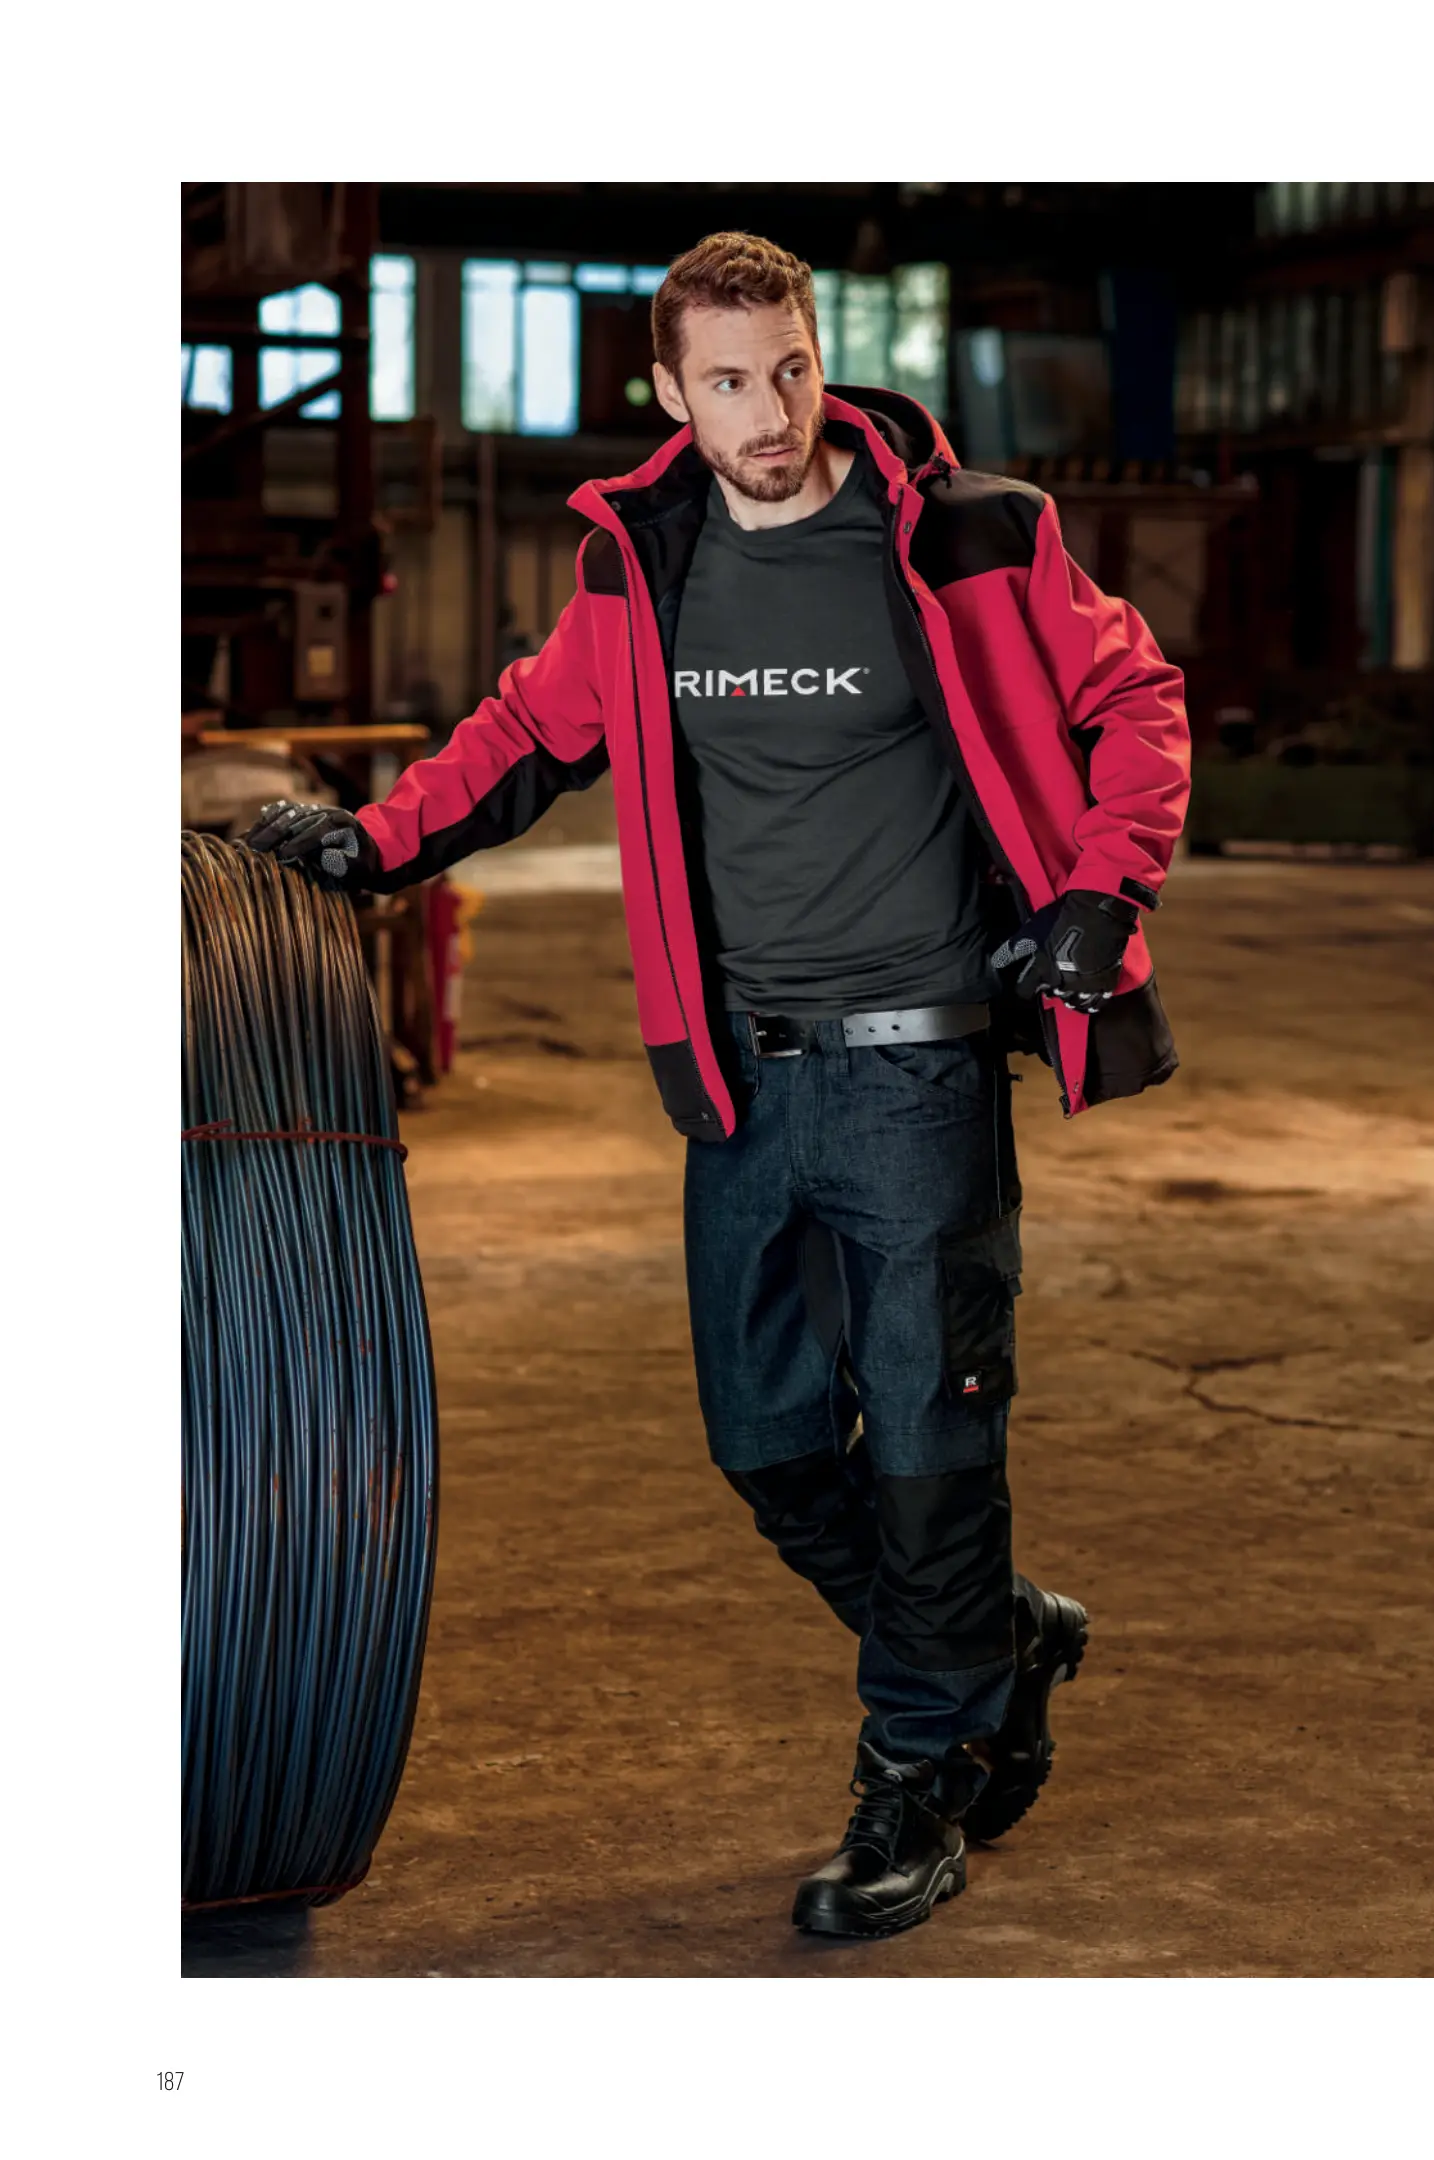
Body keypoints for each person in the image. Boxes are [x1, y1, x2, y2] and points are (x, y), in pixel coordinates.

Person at [245, 230, 1191, 1941]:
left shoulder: (968, 535)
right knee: (768, 1447)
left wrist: (1102, 888)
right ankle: (991, 1641)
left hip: (918, 1073)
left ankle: (919, 1776)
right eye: (733, 382)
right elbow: (528, 733)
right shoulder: (650, 562)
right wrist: (375, 842)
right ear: (671, 393)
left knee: (929, 1437)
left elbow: (1136, 694)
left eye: (794, 369)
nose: (773, 413)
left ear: (823, 360)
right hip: (741, 1084)